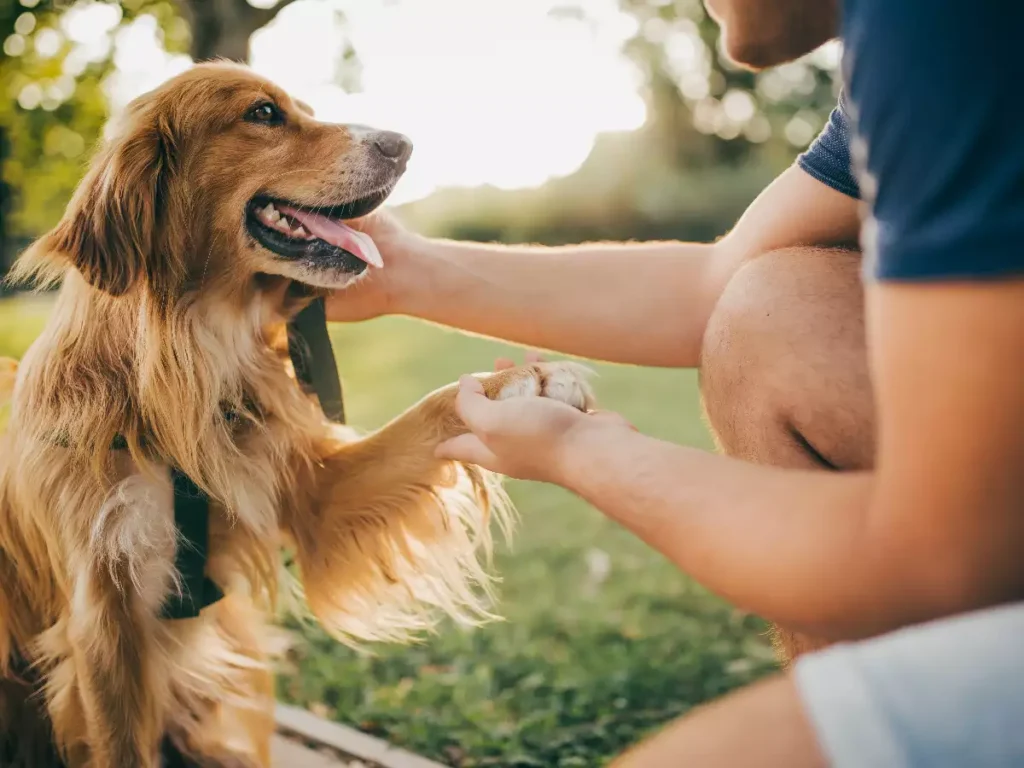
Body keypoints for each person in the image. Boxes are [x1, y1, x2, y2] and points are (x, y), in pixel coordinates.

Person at [329, 0, 1024, 763]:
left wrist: (583, 454)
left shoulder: (942, 23)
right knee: (774, 311)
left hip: (960, 558)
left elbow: (938, 555)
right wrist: (403, 272)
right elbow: (716, 285)